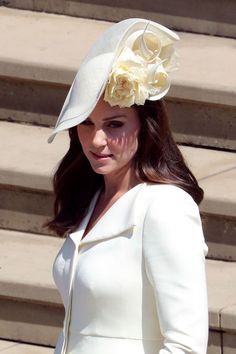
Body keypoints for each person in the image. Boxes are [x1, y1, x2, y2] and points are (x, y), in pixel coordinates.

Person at [47, 18, 209, 354]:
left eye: (115, 124)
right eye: (86, 124)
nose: (97, 140)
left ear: (146, 126)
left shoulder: (166, 207)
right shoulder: (90, 199)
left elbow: (186, 345)